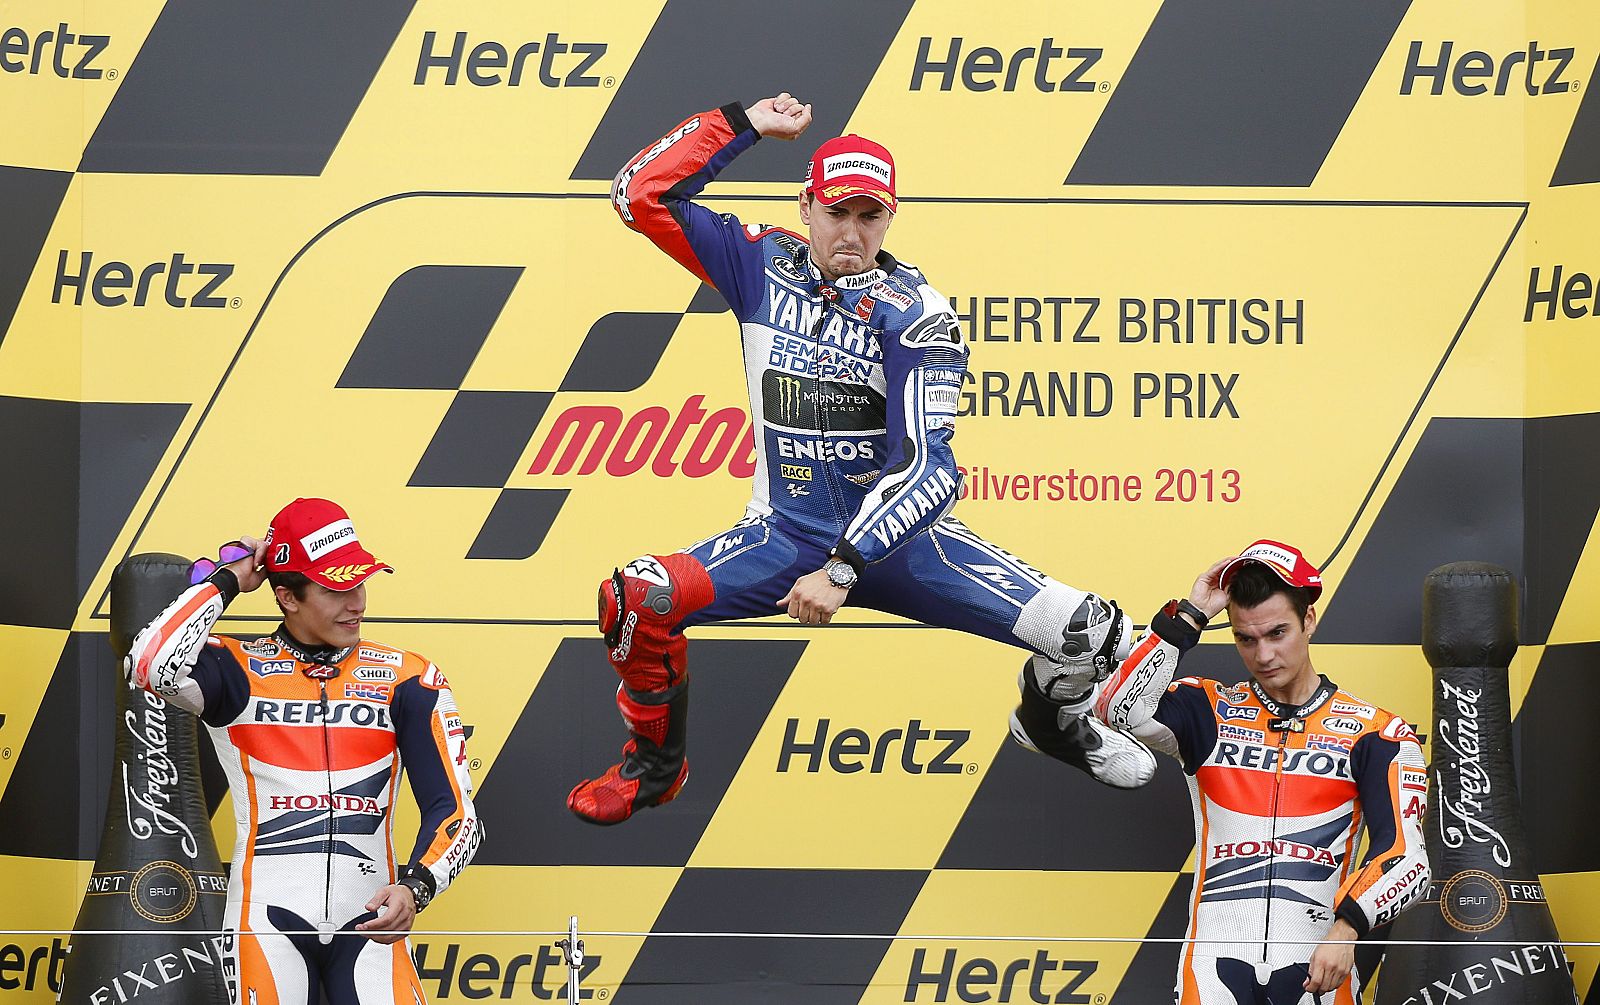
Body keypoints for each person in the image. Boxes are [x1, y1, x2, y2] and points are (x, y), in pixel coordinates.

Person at [567, 91, 1155, 826]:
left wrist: (844, 568)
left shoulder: (919, 315)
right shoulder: (757, 265)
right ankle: (656, 768)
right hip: (784, 537)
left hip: (906, 548)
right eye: (836, 211)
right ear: (805, 205)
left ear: (890, 218)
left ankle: (1049, 722)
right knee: (638, 597)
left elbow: (929, 469)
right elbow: (639, 194)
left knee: (1096, 636)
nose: (851, 232)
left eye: (870, 216)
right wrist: (742, 125)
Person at [125, 497, 482, 1005]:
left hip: (373, 921)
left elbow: (459, 815)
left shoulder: (408, 678)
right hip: (264, 921)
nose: (356, 603)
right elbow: (147, 663)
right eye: (336, 589)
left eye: (361, 583)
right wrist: (227, 581)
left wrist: (415, 888)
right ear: (287, 596)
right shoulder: (235, 669)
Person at [1094, 540, 1430, 1004]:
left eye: (1277, 633)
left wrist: (1347, 929)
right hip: (1212, 967)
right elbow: (1115, 707)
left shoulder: (1377, 733)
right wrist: (1189, 616)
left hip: (1319, 965)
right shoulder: (1208, 710)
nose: (1263, 655)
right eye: (1245, 639)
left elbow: (1407, 858)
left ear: (1308, 620)